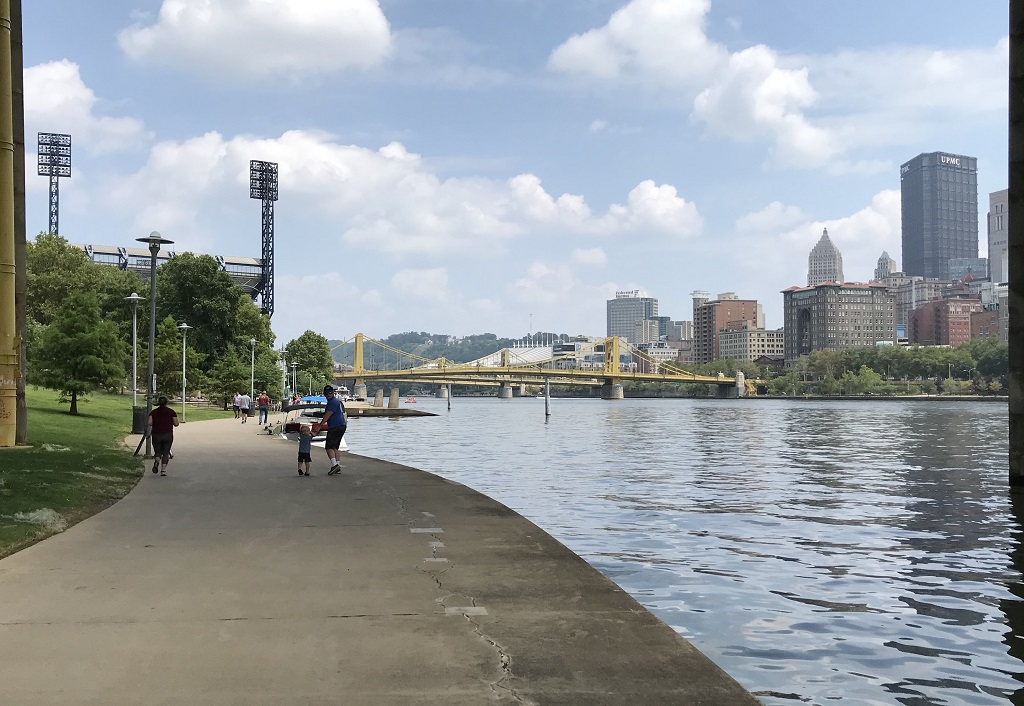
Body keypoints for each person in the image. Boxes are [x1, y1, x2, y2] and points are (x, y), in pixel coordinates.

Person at [147, 395, 179, 477]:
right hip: (168, 434)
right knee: (165, 452)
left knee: (157, 452)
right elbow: (176, 424)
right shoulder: (171, 412)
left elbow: (149, 423)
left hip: (156, 434)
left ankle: (157, 460)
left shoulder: (153, 412)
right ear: (166, 403)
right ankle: (163, 470)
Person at [320, 384, 347, 475]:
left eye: (330, 393)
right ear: (324, 394)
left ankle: (334, 465)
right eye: (327, 394)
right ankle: (337, 466)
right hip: (342, 425)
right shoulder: (337, 401)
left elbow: (327, 416)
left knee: (329, 447)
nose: (328, 395)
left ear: (333, 393)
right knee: (335, 447)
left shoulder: (332, 403)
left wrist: (319, 426)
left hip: (335, 426)